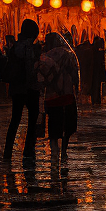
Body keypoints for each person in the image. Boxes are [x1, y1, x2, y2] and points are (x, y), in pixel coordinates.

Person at [3, 19, 43, 161]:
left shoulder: (16, 46)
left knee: (15, 120)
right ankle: (29, 150)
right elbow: (31, 68)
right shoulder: (30, 48)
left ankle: (7, 152)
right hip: (29, 88)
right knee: (32, 120)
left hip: (17, 88)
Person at [37, 32, 80, 160]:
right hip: (67, 96)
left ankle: (54, 151)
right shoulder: (69, 54)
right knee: (67, 126)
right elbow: (75, 76)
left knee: (53, 127)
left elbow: (41, 79)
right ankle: (64, 151)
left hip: (52, 98)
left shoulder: (45, 57)